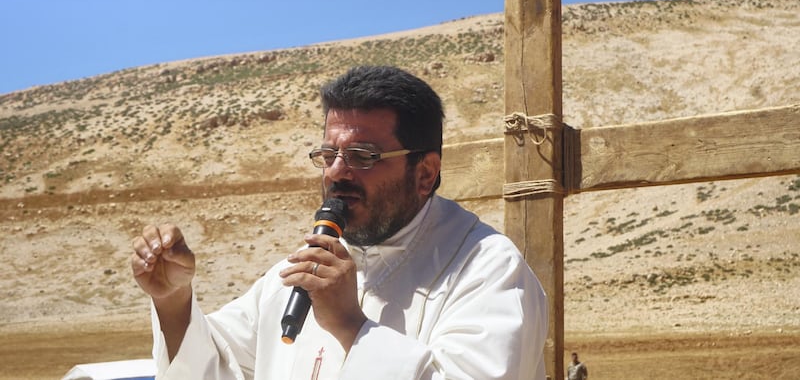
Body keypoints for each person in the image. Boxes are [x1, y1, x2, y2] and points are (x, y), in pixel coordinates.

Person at [130, 65, 548, 379]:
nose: (336, 173)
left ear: (424, 173)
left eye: (363, 157)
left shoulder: (488, 269)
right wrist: (173, 300)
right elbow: (219, 365)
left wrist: (350, 324)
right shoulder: (295, 274)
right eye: (329, 156)